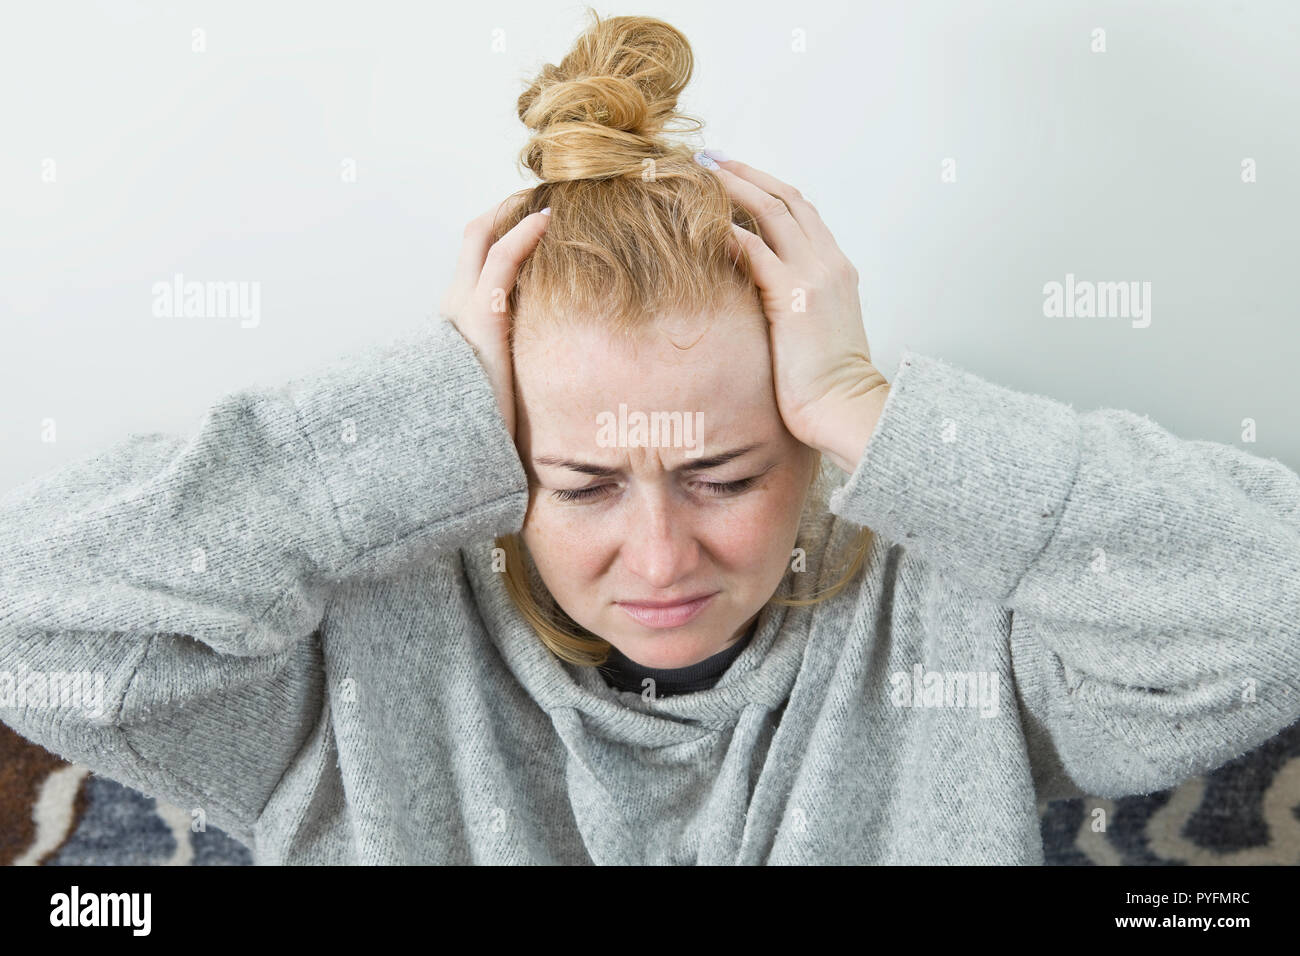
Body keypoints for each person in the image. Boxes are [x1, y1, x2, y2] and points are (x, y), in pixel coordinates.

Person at [2, 11, 1298, 866]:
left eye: (722, 473)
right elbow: (29, 629)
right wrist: (419, 416)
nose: (659, 554)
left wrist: (878, 408)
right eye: (581, 484)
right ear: (492, 458)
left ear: (809, 448)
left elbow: (1274, 611)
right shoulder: (351, 656)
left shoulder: (954, 620)